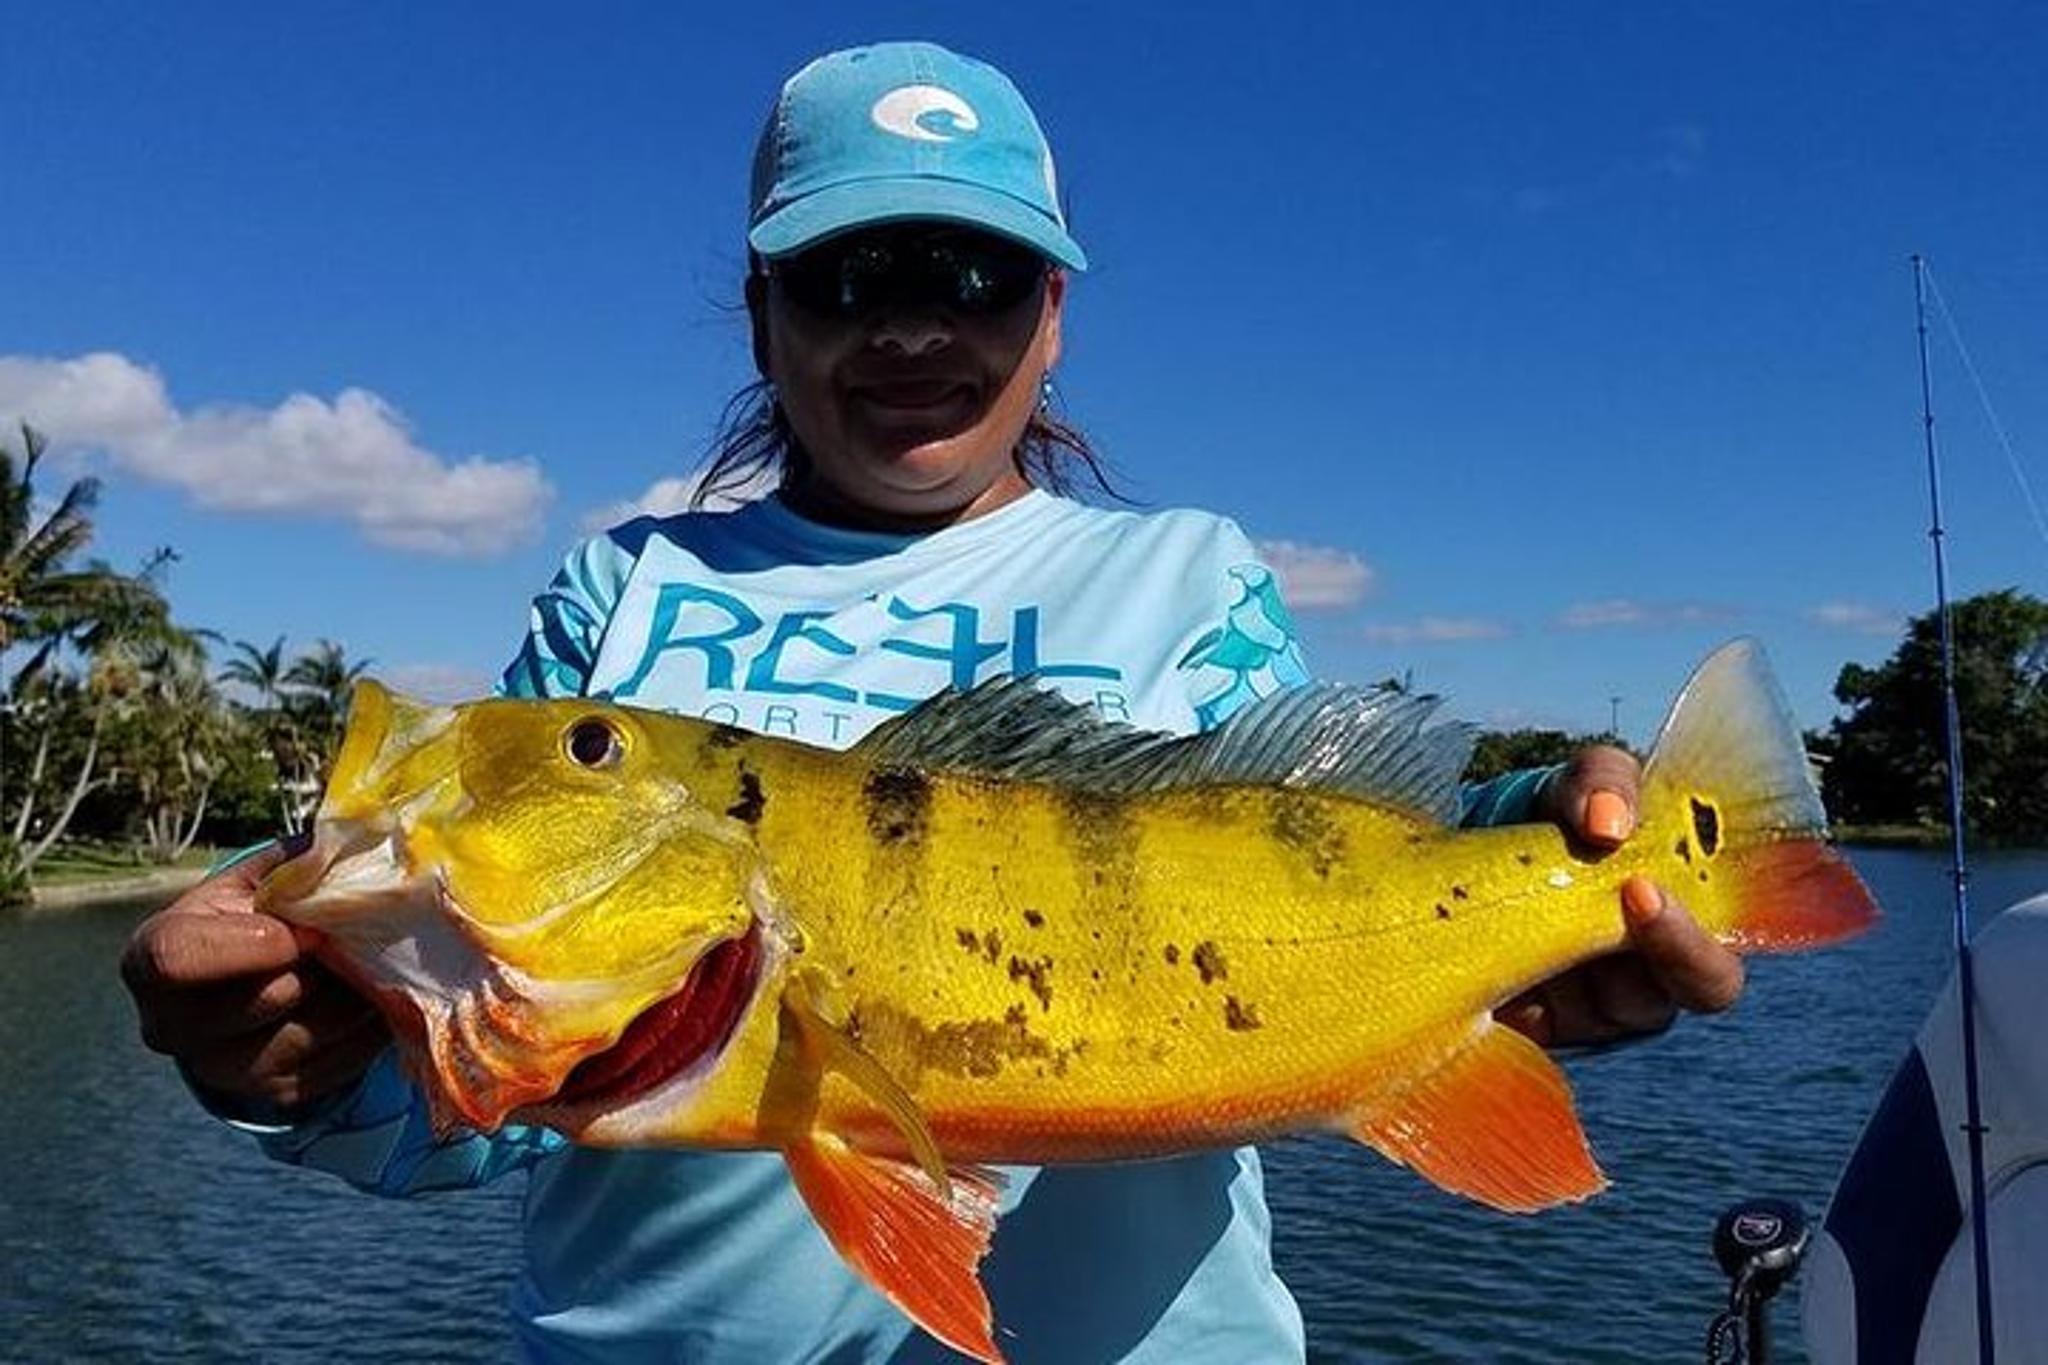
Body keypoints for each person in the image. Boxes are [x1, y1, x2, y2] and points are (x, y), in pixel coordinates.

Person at [121, 40, 1745, 1364]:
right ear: (760, 317)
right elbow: (502, 1100)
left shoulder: (1188, 573)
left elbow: (1356, 842)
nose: (910, 324)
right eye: (844, 277)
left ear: (1052, 315)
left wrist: (1565, 841)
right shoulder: (624, 594)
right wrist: (308, 1066)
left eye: (969, 273)